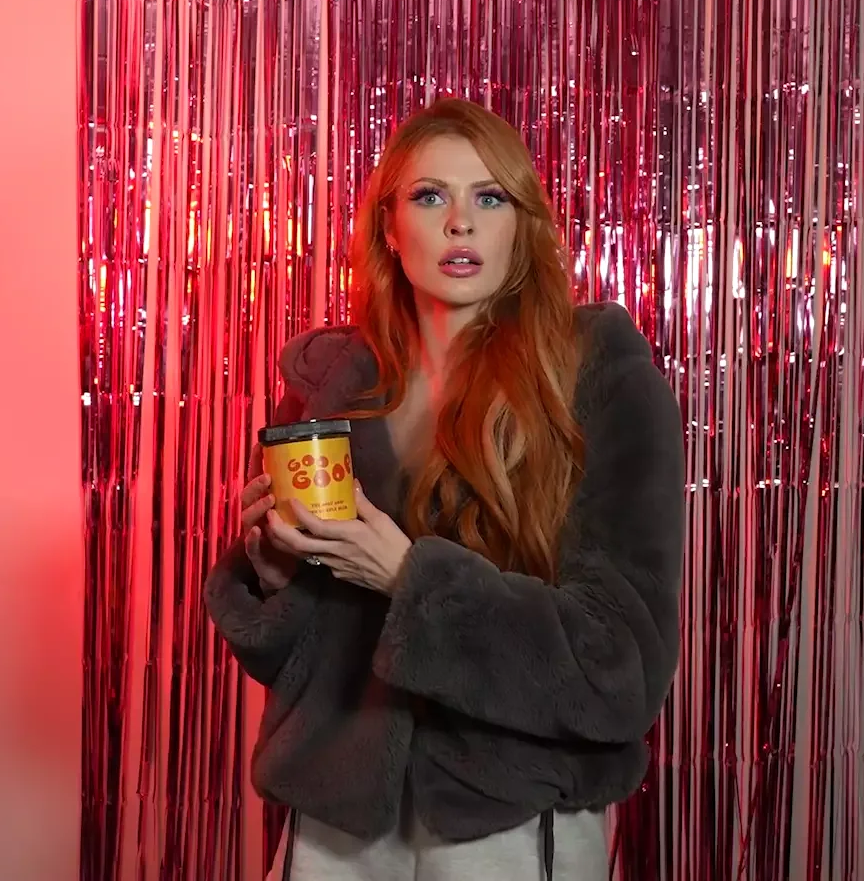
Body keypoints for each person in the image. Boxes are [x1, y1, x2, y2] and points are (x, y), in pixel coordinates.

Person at [205, 97, 687, 880]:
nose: (461, 221)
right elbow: (304, 661)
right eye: (431, 196)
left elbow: (620, 670)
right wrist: (275, 579)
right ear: (390, 229)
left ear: (521, 226)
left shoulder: (598, 380)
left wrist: (408, 577)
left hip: (506, 822)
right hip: (337, 829)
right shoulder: (333, 391)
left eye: (489, 198)